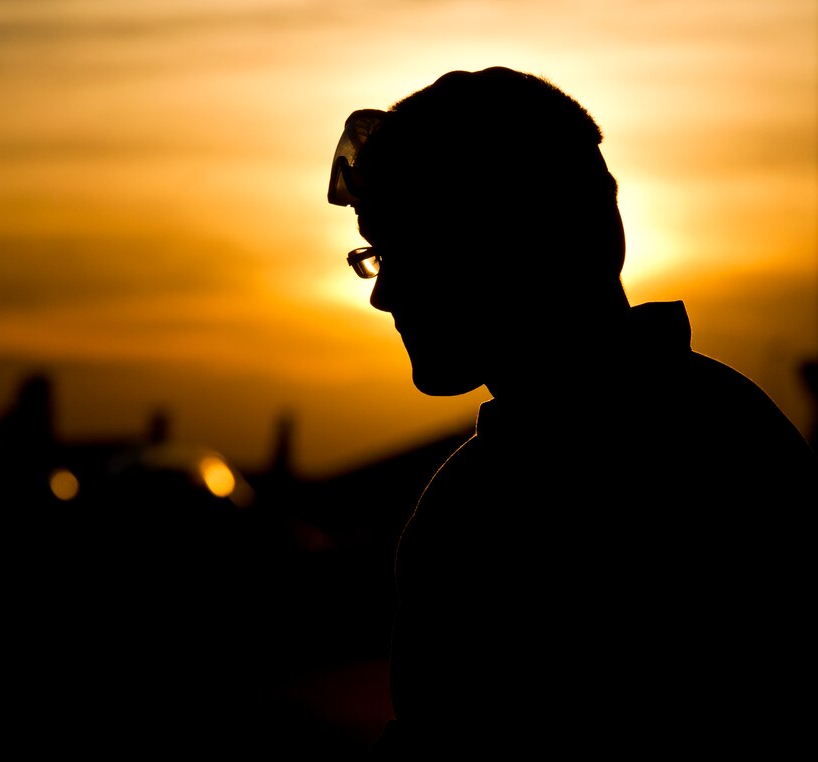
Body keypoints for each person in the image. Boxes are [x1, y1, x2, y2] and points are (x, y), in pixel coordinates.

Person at [325, 66, 818, 757]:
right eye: (376, 255)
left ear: (512, 244)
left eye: (409, 251)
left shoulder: (521, 493)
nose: (383, 295)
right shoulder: (725, 428)